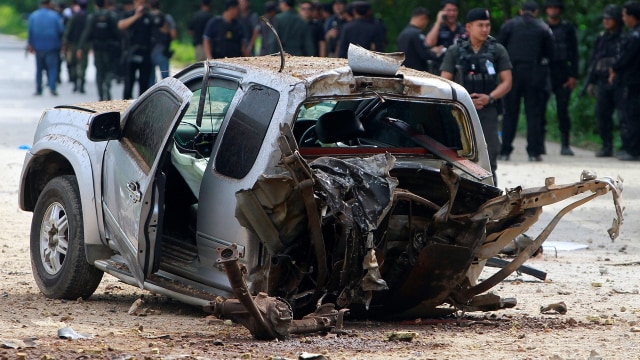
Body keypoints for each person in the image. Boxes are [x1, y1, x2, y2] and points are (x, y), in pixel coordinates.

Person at [441, 8, 513, 185]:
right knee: (458, 155)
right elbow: (444, 81)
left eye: (487, 25)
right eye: (480, 25)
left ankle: (490, 195)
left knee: (490, 154)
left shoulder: (497, 50)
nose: (485, 29)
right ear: (469, 27)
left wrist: (489, 97)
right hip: (460, 110)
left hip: (487, 109)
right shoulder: (454, 51)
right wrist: (464, 99)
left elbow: (507, 81)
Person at [497, 1, 554, 162]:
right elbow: (551, 52)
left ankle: (505, 150)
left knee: (510, 112)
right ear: (535, 12)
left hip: (512, 73)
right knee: (533, 113)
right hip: (534, 73)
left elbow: (499, 48)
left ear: (521, 11)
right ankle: (533, 152)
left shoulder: (509, 25)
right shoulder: (543, 27)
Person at [585, 5, 624, 157]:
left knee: (623, 116)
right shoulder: (601, 38)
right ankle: (606, 146)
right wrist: (591, 82)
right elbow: (595, 60)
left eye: (609, 18)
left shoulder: (623, 38)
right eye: (604, 18)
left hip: (619, 82)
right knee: (602, 115)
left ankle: (626, 146)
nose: (606, 21)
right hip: (602, 81)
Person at [543, 0, 578, 156]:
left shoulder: (567, 28)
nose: (552, 10)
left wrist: (573, 75)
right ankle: (539, 144)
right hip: (545, 71)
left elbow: (575, 53)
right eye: (550, 7)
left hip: (563, 72)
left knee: (563, 110)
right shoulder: (542, 27)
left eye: (555, 7)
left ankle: (565, 144)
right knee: (539, 110)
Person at [609, 1, 640, 161]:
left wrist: (614, 68)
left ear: (632, 17)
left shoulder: (635, 36)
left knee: (632, 116)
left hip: (633, 83)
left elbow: (625, 58)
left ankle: (633, 150)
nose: (623, 18)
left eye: (624, 15)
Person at [77, 0, 121, 100]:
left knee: (99, 71)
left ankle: (101, 94)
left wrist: (80, 47)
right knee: (109, 69)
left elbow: (86, 33)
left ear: (95, 5)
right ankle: (107, 84)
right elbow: (118, 33)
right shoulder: (111, 16)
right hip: (109, 48)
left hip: (97, 48)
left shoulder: (92, 17)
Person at [118, 0, 158, 99]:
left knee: (144, 83)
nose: (141, 5)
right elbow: (121, 25)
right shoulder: (129, 14)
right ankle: (126, 104)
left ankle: (141, 105)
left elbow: (159, 28)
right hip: (131, 52)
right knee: (129, 82)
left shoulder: (149, 17)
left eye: (144, 3)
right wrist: (136, 16)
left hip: (145, 52)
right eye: (139, 2)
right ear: (135, 3)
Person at [28, 0, 64, 96]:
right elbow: (61, 30)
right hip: (52, 46)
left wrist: (30, 45)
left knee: (39, 69)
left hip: (38, 46)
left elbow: (30, 32)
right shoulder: (55, 16)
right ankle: (52, 87)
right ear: (49, 4)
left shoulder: (33, 16)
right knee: (52, 68)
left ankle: (39, 89)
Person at [425, 0, 465, 74]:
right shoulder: (438, 27)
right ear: (442, 12)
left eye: (454, 10)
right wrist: (438, 22)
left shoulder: (462, 28)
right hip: (441, 68)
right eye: (449, 10)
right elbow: (429, 43)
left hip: (459, 68)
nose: (452, 13)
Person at [397, 7, 439, 72]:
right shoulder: (417, 34)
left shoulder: (402, 34)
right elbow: (424, 54)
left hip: (404, 71)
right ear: (423, 18)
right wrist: (435, 53)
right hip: (417, 72)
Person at [62, 0, 89, 93]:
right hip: (85, 44)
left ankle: (75, 82)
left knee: (73, 63)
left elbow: (68, 30)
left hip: (73, 43)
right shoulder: (88, 17)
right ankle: (81, 83)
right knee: (83, 64)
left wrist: (65, 42)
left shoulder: (74, 17)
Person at [148, 0, 176, 85]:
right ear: (160, 6)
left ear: (149, 5)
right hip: (163, 51)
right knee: (166, 79)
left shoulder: (146, 17)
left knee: (150, 80)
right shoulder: (166, 18)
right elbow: (173, 35)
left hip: (148, 52)